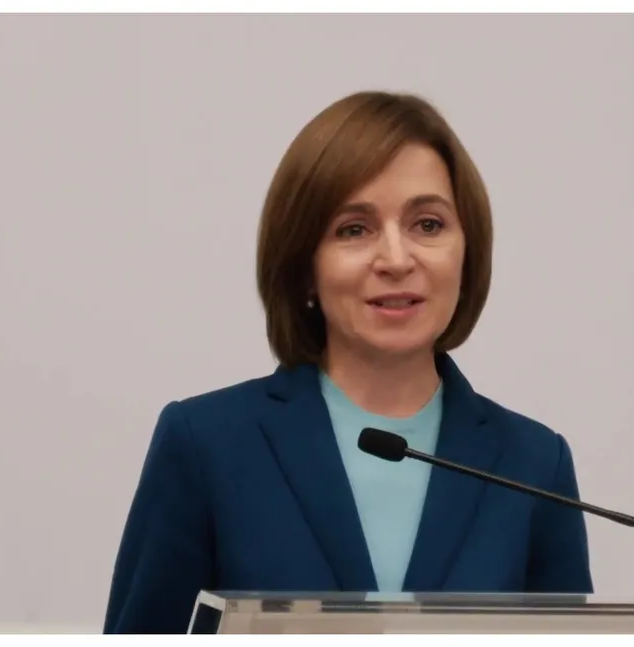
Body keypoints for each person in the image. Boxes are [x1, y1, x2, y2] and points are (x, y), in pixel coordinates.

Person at [103, 90, 594, 634]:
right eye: (354, 229)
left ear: (467, 252)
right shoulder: (206, 446)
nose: (396, 260)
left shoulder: (533, 465)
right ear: (304, 266)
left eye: (428, 224)